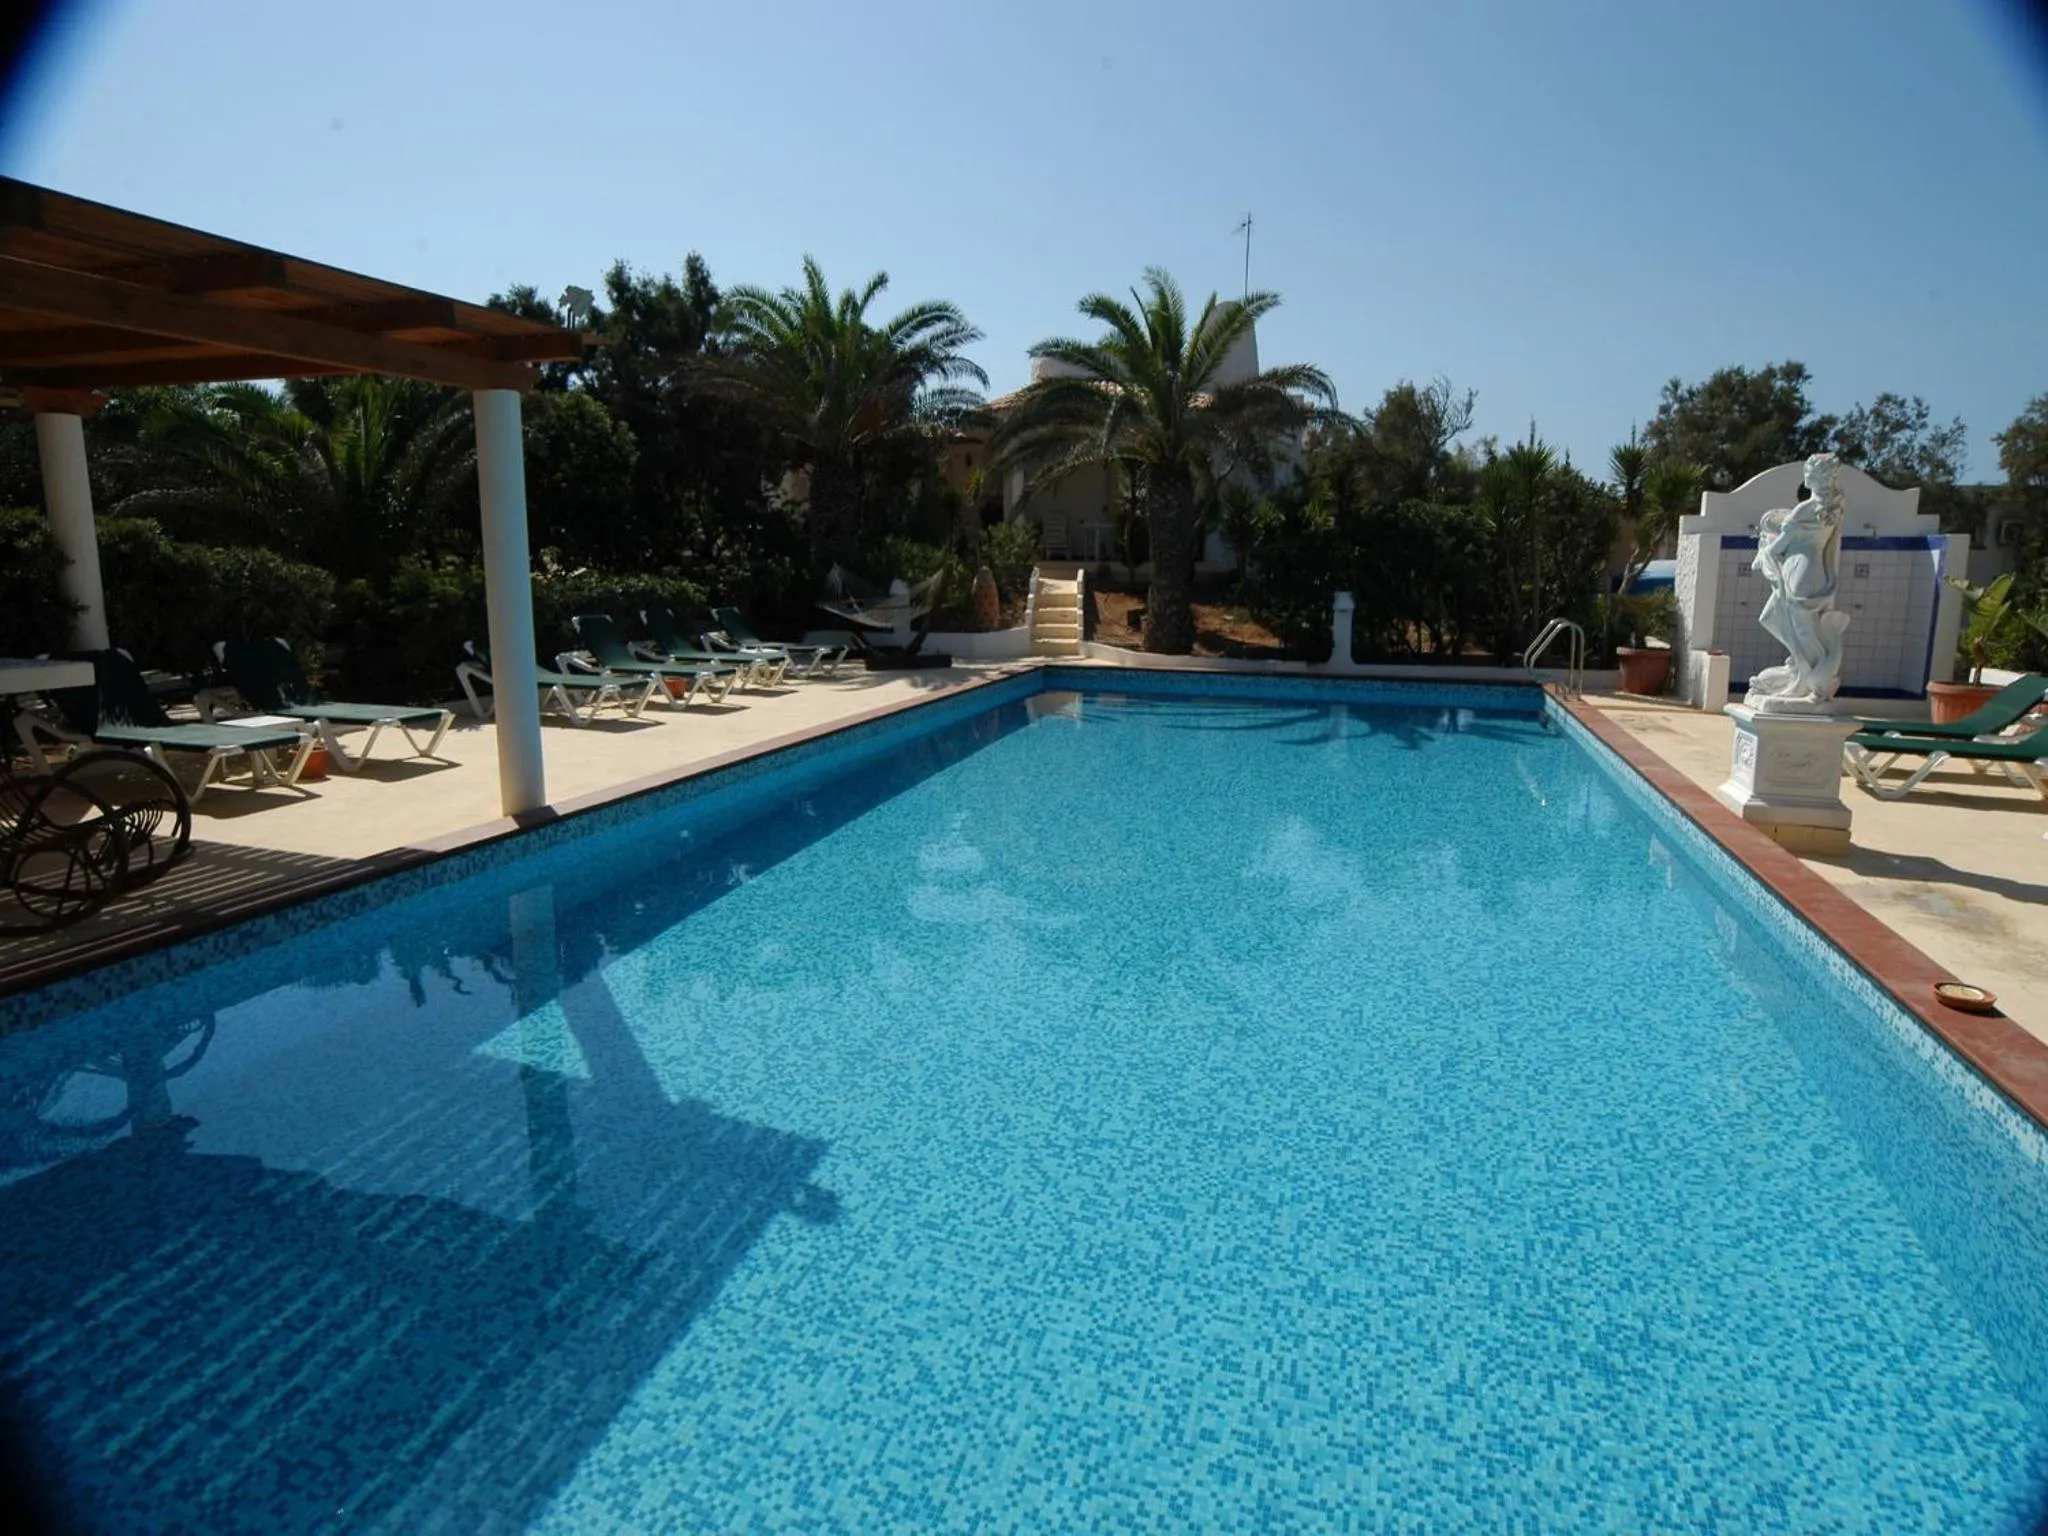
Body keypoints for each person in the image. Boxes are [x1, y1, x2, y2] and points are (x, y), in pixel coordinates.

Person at [1747, 453, 1851, 707]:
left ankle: (1807, 680)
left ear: (1812, 476)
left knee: (1802, 630)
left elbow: (1777, 549)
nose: (1805, 475)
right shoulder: (1835, 506)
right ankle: (1801, 667)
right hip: (1812, 568)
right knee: (1774, 619)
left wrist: (1765, 547)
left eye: (1808, 471)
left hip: (1799, 569)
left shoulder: (1804, 509)